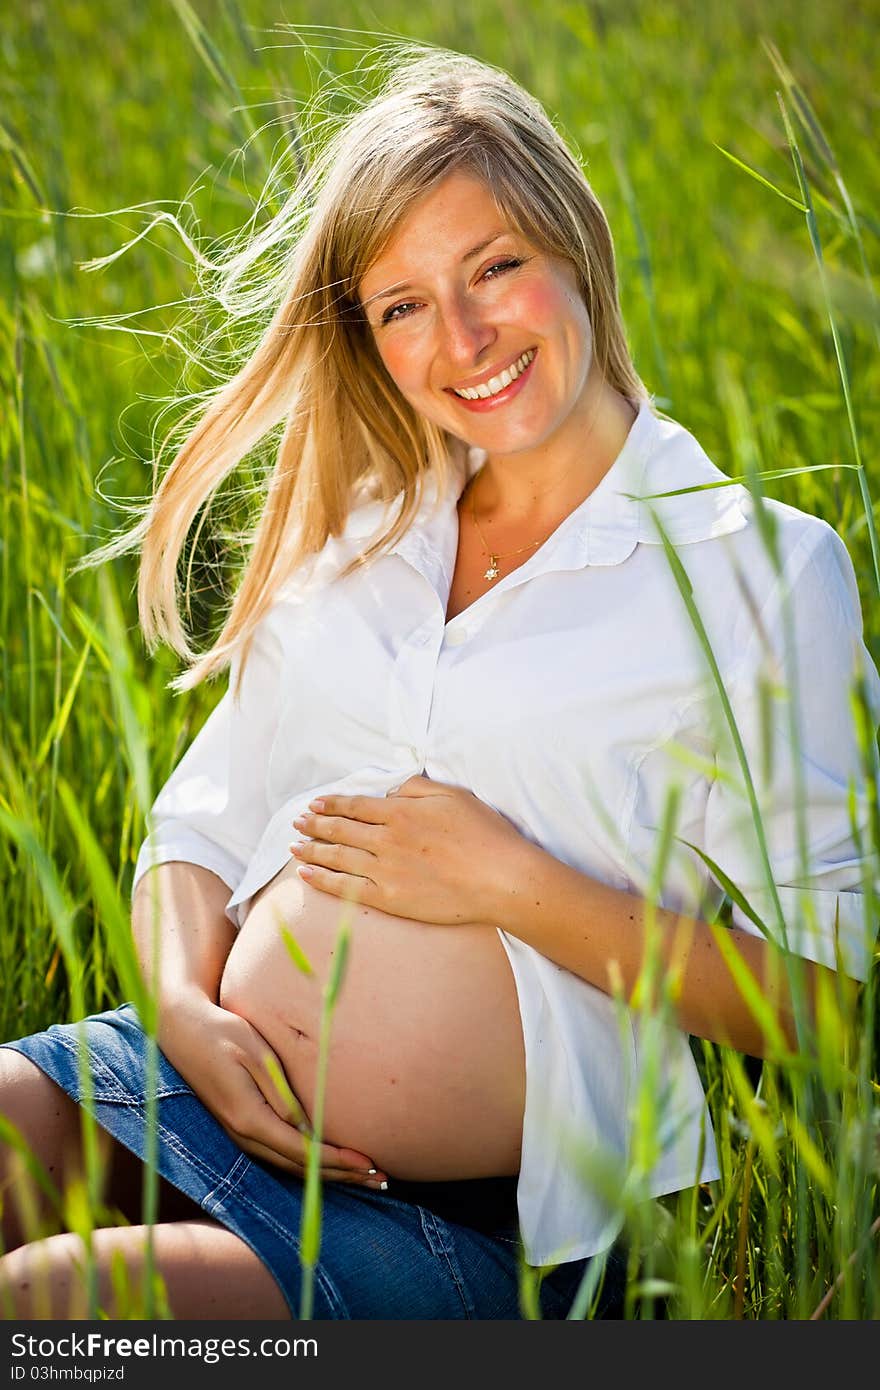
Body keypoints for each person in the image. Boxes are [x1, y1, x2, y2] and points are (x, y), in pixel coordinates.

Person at [0, 47, 877, 1322]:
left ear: (575, 243)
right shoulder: (362, 522)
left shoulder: (755, 570)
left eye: (494, 268)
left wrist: (515, 884)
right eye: (402, 305)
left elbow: (835, 1008)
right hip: (192, 1082)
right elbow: (199, 824)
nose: (461, 340)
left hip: (477, 1216)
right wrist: (188, 1010)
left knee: (55, 1309)